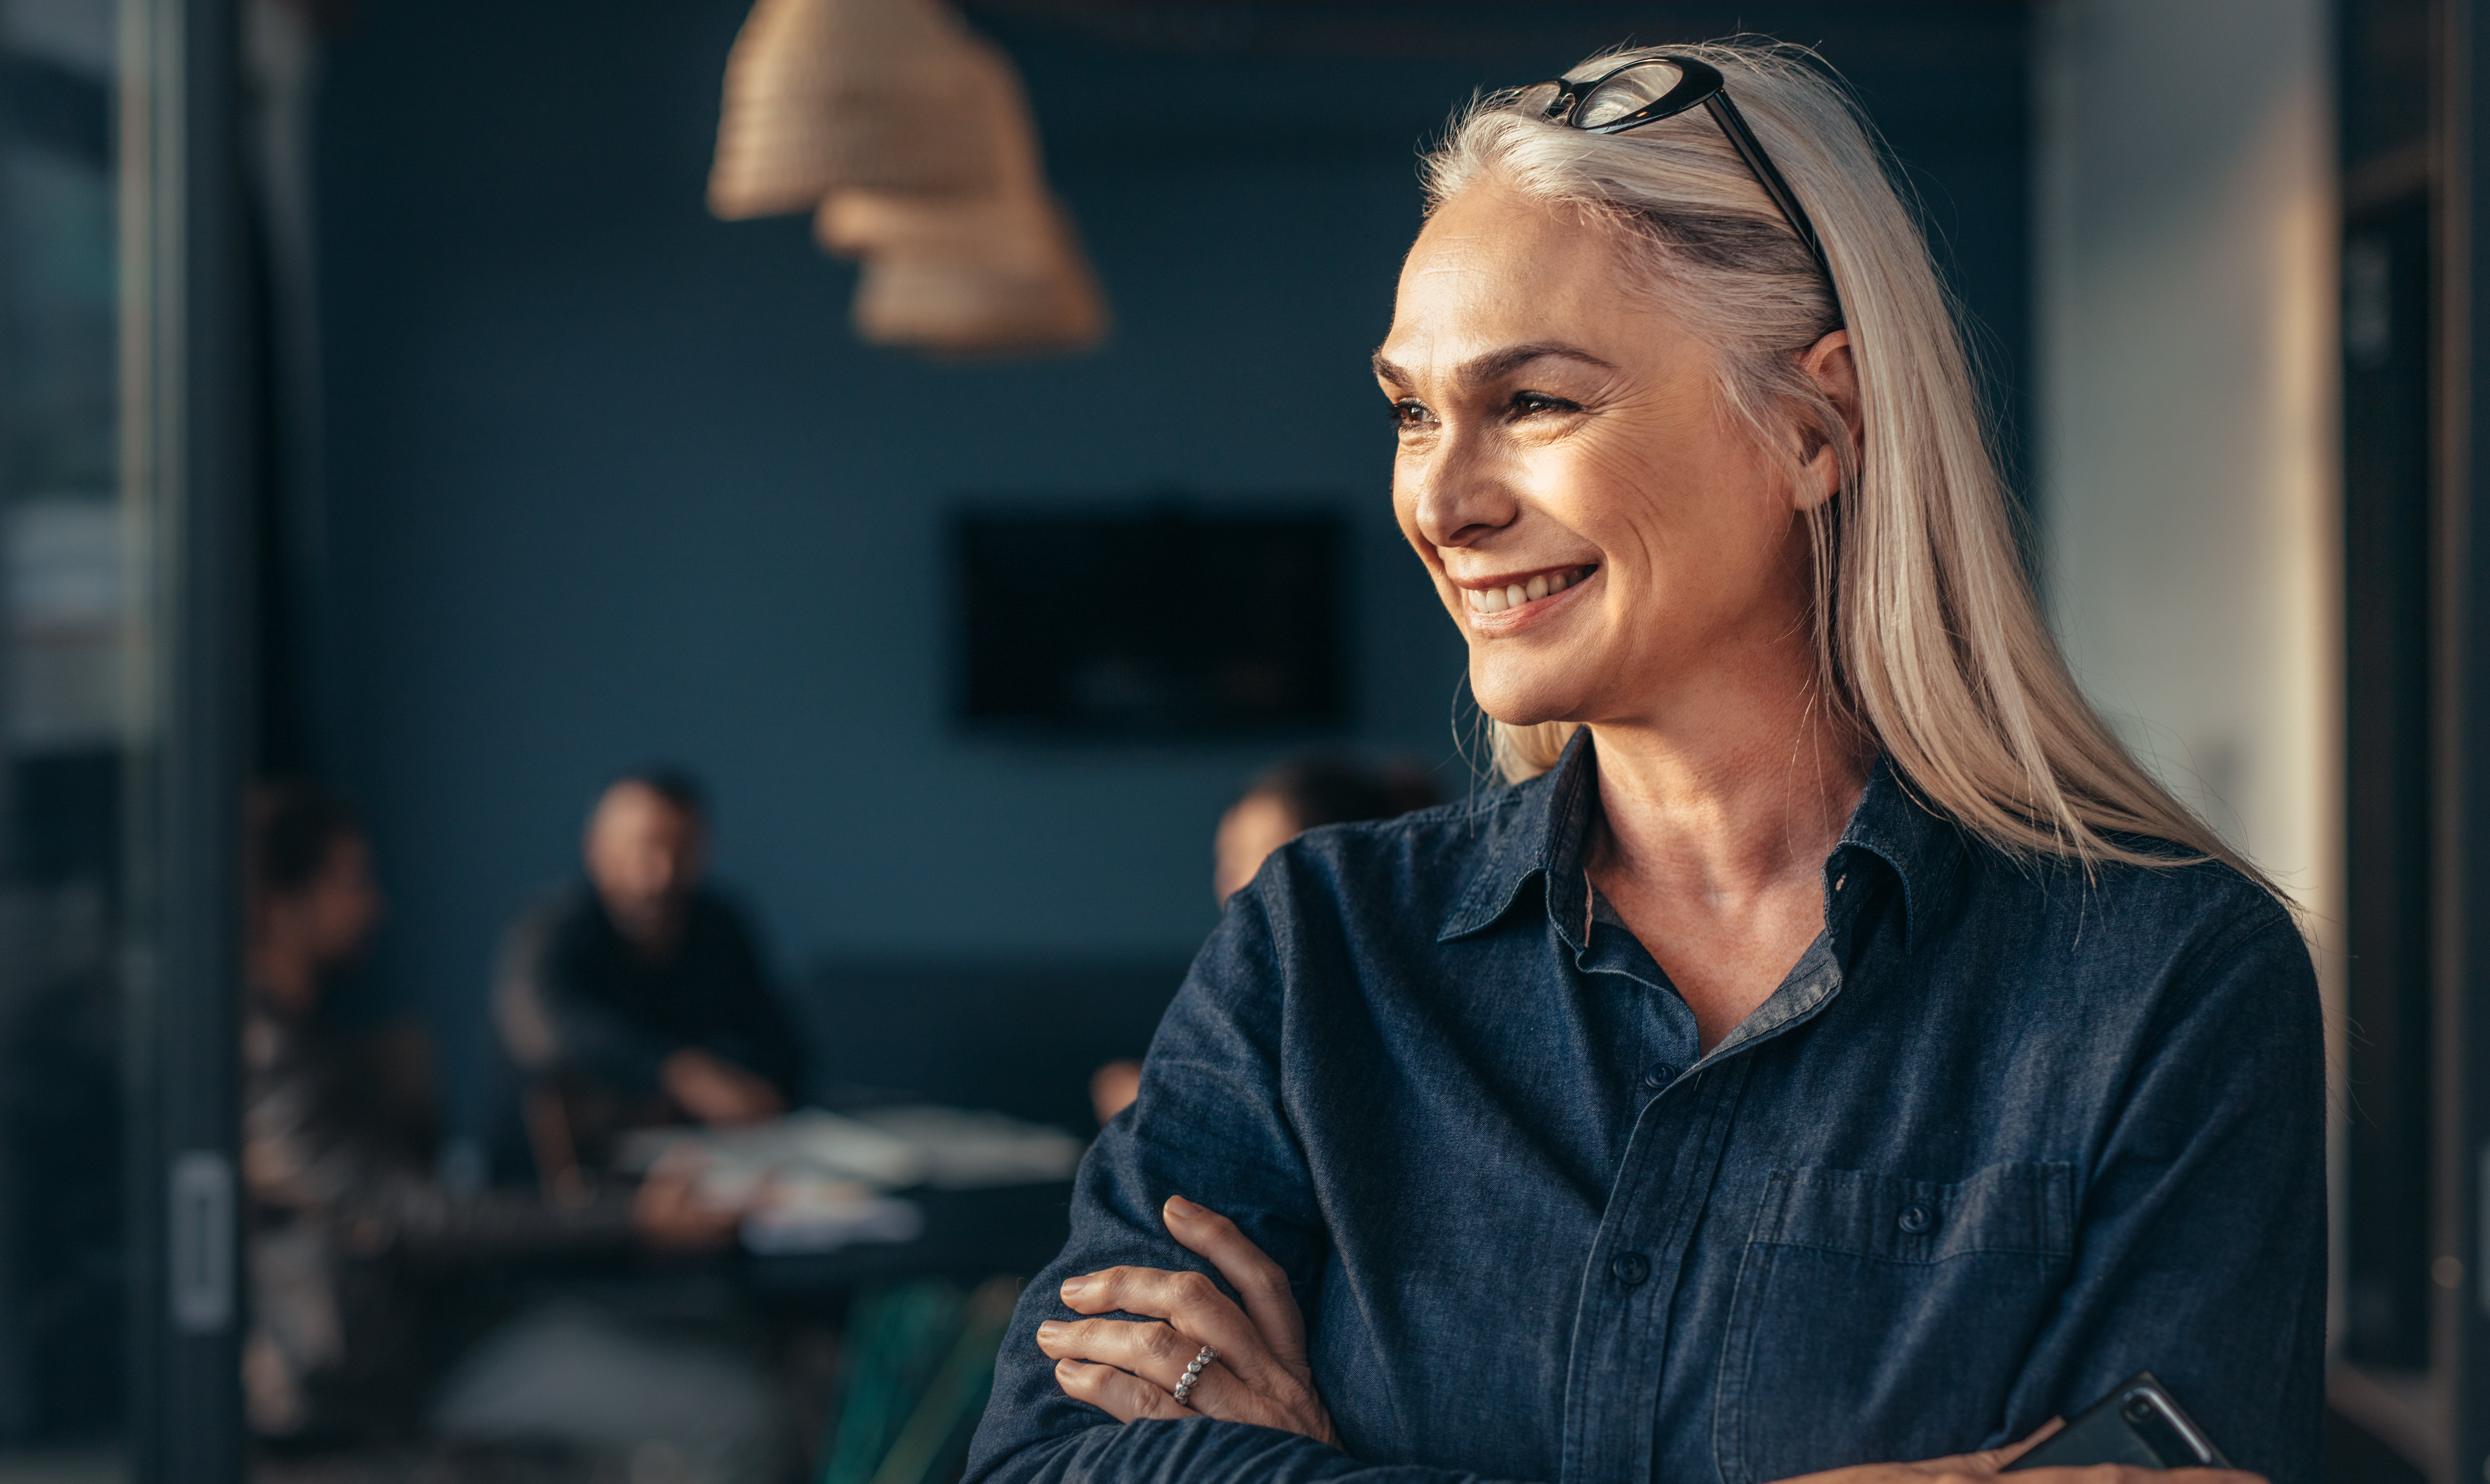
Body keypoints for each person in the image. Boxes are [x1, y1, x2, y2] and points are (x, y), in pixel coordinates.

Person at [967, 39, 2320, 1484]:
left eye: (1534, 402)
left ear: (1818, 425)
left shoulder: (2165, 981)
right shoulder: (1319, 956)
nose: (1437, 498)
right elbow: (1048, 1462)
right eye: (1411, 409)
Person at [239, 781, 740, 1446]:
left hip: (455, 1319)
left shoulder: (309, 1038)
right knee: (739, 1413)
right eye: (353, 882)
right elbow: (414, 1216)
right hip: (401, 1371)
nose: (377, 906)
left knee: (727, 1322)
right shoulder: (272, 1062)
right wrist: (634, 1216)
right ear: (280, 905)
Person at [1090, 755, 1442, 1125]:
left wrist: (1154, 1109)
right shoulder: (1255, 983)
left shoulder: (1366, 999)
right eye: (1227, 859)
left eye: (1255, 856)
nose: (1232, 884)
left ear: (1333, 862)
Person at [495, 769, 801, 1185]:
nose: (661, 873)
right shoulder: (548, 929)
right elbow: (541, 1032)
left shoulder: (720, 926)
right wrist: (679, 1074)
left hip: (700, 1166)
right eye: (643, 848)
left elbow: (781, 1042)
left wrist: (753, 1088)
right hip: (553, 1190)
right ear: (595, 850)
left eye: (681, 849)